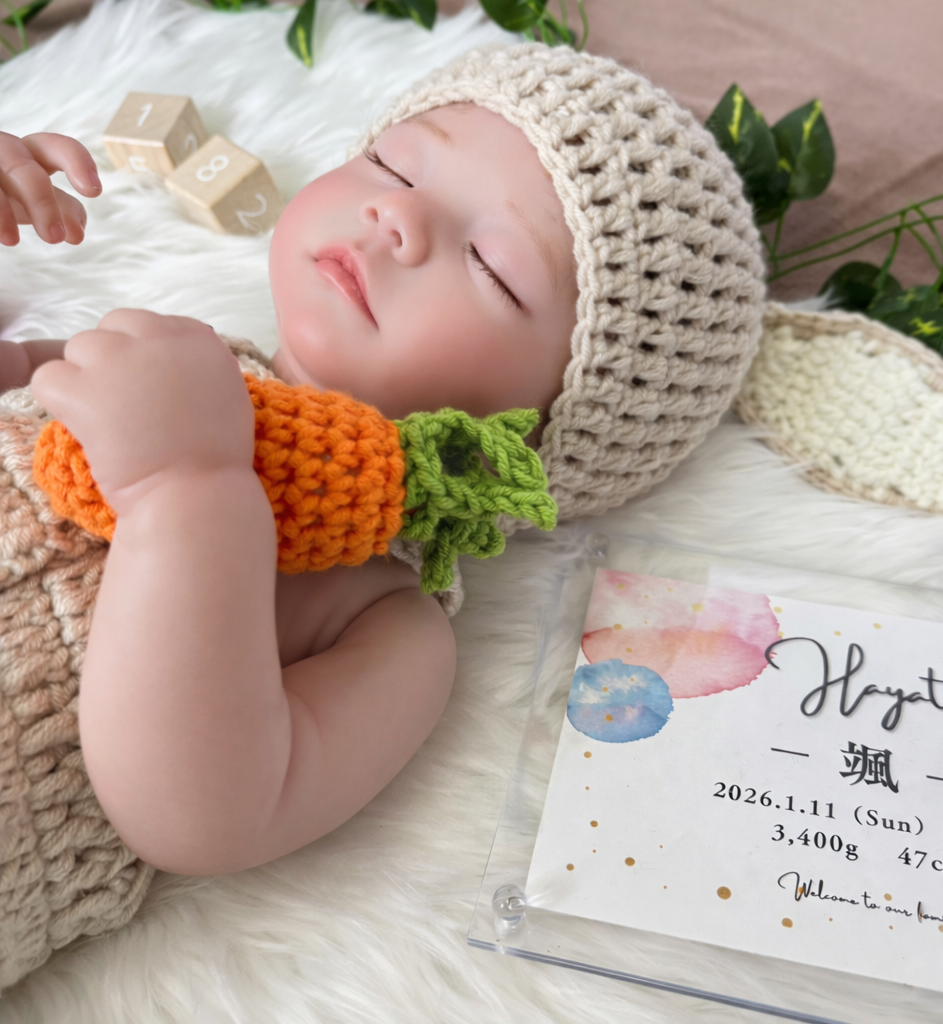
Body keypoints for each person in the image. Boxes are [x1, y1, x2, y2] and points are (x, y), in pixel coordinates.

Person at [0, 43, 764, 985]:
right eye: (393, 164)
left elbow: (204, 815)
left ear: (536, 438)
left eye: (491, 266)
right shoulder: (183, 361)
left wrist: (186, 495)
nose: (396, 215)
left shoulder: (391, 625)